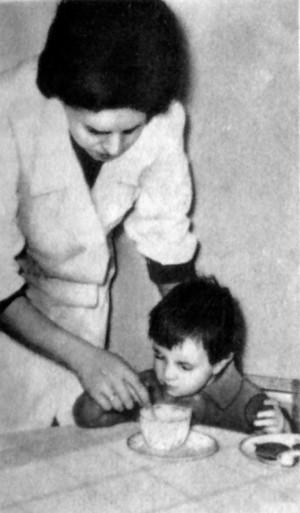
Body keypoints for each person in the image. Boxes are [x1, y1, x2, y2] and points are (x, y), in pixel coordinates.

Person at [0, 0, 198, 433]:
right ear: (60, 99)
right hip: (10, 315)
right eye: (95, 131)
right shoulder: (8, 108)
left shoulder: (164, 118)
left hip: (82, 309)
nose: (113, 148)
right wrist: (84, 359)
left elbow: (167, 244)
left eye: (130, 130)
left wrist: (199, 344)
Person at [73, 276, 291, 434]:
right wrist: (106, 394)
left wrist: (282, 429)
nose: (167, 374)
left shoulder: (247, 401)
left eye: (184, 366)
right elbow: (87, 417)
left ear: (220, 363)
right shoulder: (150, 388)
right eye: (159, 356)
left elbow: (285, 457)